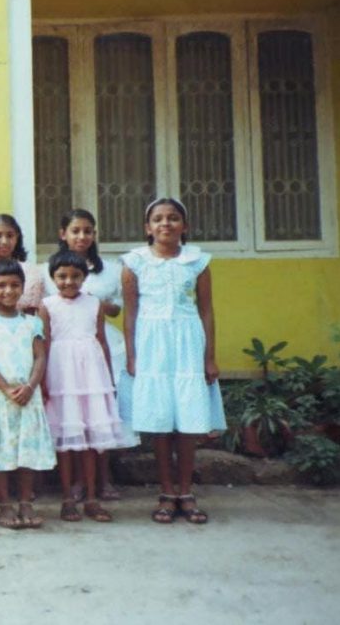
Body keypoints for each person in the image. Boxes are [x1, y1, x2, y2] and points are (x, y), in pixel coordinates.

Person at [121, 198, 225, 524]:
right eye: (158, 219)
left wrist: (209, 357)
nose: (165, 223)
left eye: (173, 218)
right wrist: (132, 355)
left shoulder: (197, 262)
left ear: (185, 226)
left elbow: (206, 311)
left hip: (187, 342)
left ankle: (186, 492)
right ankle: (166, 492)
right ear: (147, 227)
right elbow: (130, 313)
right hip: (151, 345)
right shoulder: (134, 262)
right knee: (160, 421)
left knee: (188, 421)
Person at [43, 208, 139, 502]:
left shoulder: (109, 268)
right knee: (72, 416)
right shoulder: (48, 269)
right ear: (63, 234)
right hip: (64, 354)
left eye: (87, 231)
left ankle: (103, 478)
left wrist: (93, 302)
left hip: (97, 348)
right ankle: (75, 482)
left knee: (99, 415)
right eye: (75, 230)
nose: (82, 236)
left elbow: (117, 308)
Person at [40, 251, 129, 524]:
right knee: (66, 440)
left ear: (84, 277)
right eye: (62, 276)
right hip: (61, 376)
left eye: (75, 276)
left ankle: (91, 498)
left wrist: (109, 380)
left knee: (91, 439)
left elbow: (102, 340)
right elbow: (44, 345)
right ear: (53, 278)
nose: (69, 281)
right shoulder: (47, 305)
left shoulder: (94, 304)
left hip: (91, 377)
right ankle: (68, 498)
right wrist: (42, 381)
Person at [0, 259, 54, 530]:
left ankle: (26, 502)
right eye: (1, 285)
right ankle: (5, 504)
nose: (8, 290)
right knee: (1, 450)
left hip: (28, 395)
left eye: (14, 285)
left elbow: (40, 357)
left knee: (26, 450)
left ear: (23, 287)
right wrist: (6, 389)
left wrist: (30, 386)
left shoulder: (32, 322)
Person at [0, 213, 44, 314]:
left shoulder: (30, 271)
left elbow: (31, 311)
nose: (4, 241)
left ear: (17, 237)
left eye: (10, 236)